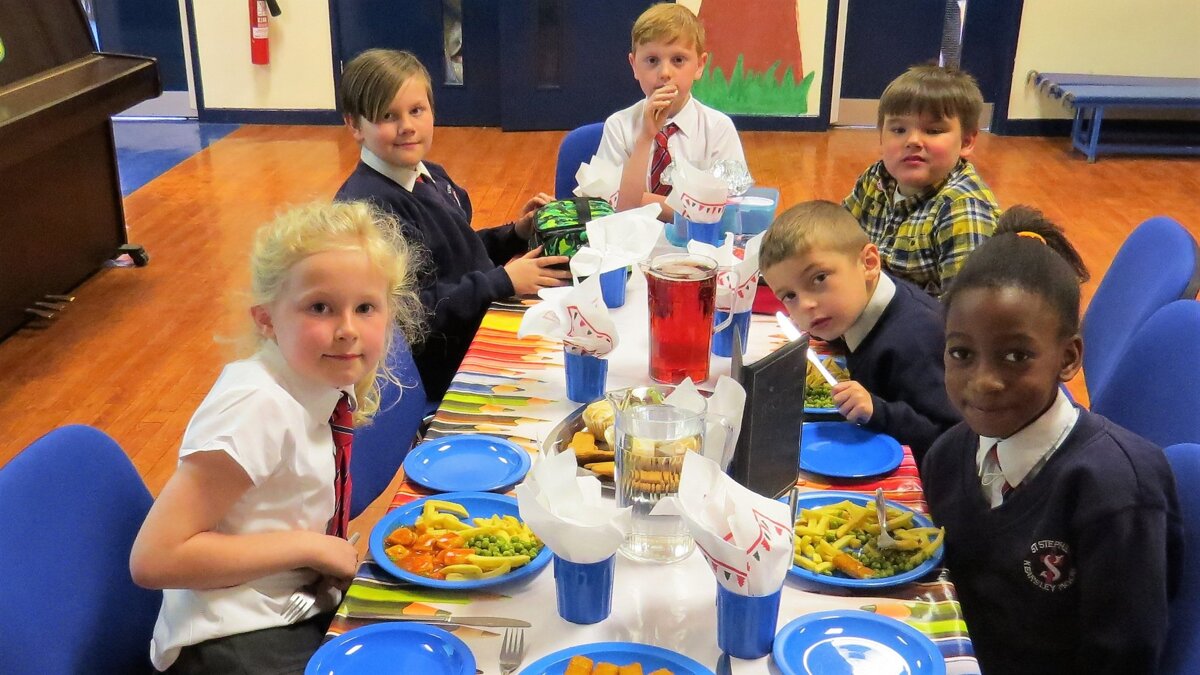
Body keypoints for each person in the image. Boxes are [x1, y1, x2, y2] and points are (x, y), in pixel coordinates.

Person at [129, 201, 423, 673]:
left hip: (293, 602)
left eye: (365, 307)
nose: (347, 330)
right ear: (266, 319)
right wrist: (310, 547)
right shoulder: (256, 407)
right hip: (229, 637)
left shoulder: (323, 375)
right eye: (320, 307)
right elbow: (154, 558)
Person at [922, 206, 1183, 674]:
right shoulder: (947, 457)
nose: (983, 381)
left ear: (1069, 357)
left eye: (1016, 356)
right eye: (962, 353)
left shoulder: (1116, 491)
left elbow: (1124, 658)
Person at [335, 48, 570, 400]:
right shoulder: (371, 210)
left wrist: (514, 233)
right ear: (354, 124)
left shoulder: (427, 175)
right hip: (445, 369)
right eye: (387, 115)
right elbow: (412, 312)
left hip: (475, 328)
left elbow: (451, 254)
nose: (407, 127)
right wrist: (503, 280)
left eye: (417, 110)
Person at [760, 200, 960, 462]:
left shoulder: (915, 339)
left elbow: (952, 437)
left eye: (819, 278)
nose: (806, 305)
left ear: (868, 262)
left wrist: (878, 411)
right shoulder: (857, 305)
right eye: (790, 296)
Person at [842, 64, 1000, 296]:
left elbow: (965, 310)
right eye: (898, 130)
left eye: (933, 131)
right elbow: (837, 238)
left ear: (966, 142)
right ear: (880, 136)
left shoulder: (963, 209)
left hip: (923, 325)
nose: (913, 140)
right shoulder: (876, 178)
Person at [595, 2, 745, 219]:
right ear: (634, 65)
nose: (665, 73)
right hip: (631, 245)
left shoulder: (718, 129)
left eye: (678, 60)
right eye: (652, 60)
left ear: (700, 65)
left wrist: (643, 200)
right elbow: (616, 207)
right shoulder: (619, 126)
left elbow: (725, 211)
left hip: (697, 246)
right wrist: (646, 137)